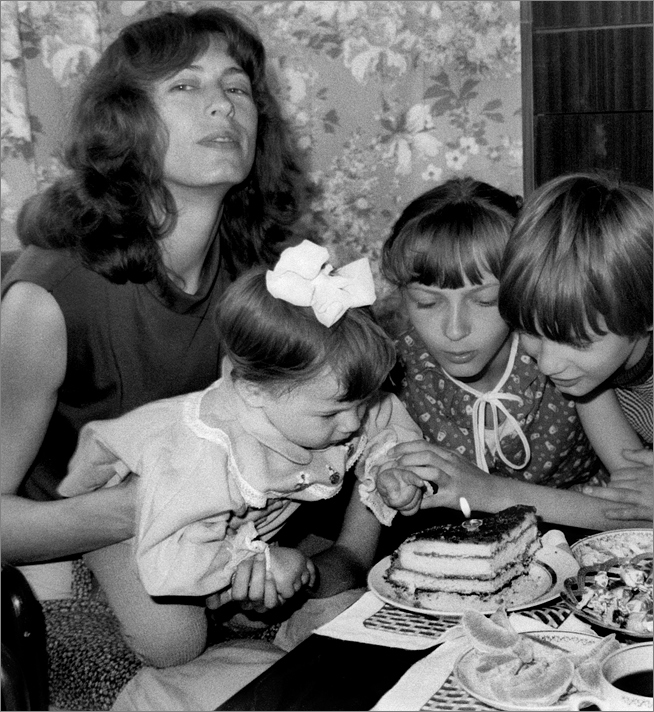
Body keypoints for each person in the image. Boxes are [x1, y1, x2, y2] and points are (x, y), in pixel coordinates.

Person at [1, 6, 306, 663]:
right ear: (125, 123)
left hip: (193, 523)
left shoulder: (260, 277)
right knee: (171, 637)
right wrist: (147, 507)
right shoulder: (48, 300)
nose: (222, 105)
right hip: (63, 529)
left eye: (236, 87)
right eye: (185, 85)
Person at [57, 239, 424, 667]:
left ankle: (233, 602)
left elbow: (385, 418)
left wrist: (391, 467)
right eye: (333, 413)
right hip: (147, 529)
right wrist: (249, 560)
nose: (353, 424)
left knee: (263, 601)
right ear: (253, 392)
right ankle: (102, 585)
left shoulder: (333, 403)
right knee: (173, 643)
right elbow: (171, 559)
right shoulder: (209, 453)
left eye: (361, 403)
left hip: (224, 523)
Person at [373, 177, 650, 531]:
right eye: (427, 302)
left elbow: (633, 513)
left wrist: (489, 491)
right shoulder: (398, 367)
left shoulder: (579, 372)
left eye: (486, 300)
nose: (455, 331)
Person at [498, 172, 652, 522]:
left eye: (577, 341)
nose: (547, 365)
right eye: (529, 331)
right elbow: (633, 501)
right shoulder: (591, 384)